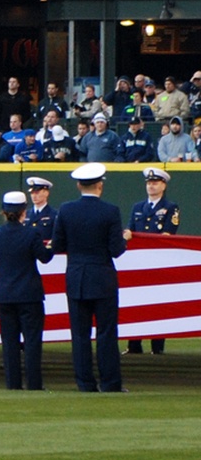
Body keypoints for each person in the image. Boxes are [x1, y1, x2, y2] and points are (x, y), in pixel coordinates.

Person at [53, 162, 128, 391]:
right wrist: (124, 238)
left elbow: (57, 245)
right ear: (100, 185)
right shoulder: (110, 211)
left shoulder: (66, 210)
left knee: (80, 334)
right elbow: (116, 249)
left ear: (78, 185)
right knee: (106, 333)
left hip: (76, 277)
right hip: (102, 277)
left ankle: (85, 383)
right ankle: (110, 382)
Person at [0, 189, 52, 390]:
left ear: (3, 211)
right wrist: (51, 247)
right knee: (32, 341)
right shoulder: (31, 233)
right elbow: (44, 258)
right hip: (29, 294)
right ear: (24, 211)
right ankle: (34, 383)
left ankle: (13, 383)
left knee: (9, 341)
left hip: (5, 294)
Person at [126, 165, 178, 355]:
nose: (151, 186)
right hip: (138, 263)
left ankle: (157, 348)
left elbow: (168, 234)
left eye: (155, 183)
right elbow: (130, 230)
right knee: (135, 302)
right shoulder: (138, 207)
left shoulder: (170, 207)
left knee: (158, 304)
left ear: (163, 186)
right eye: (149, 183)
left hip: (158, 262)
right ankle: (133, 346)